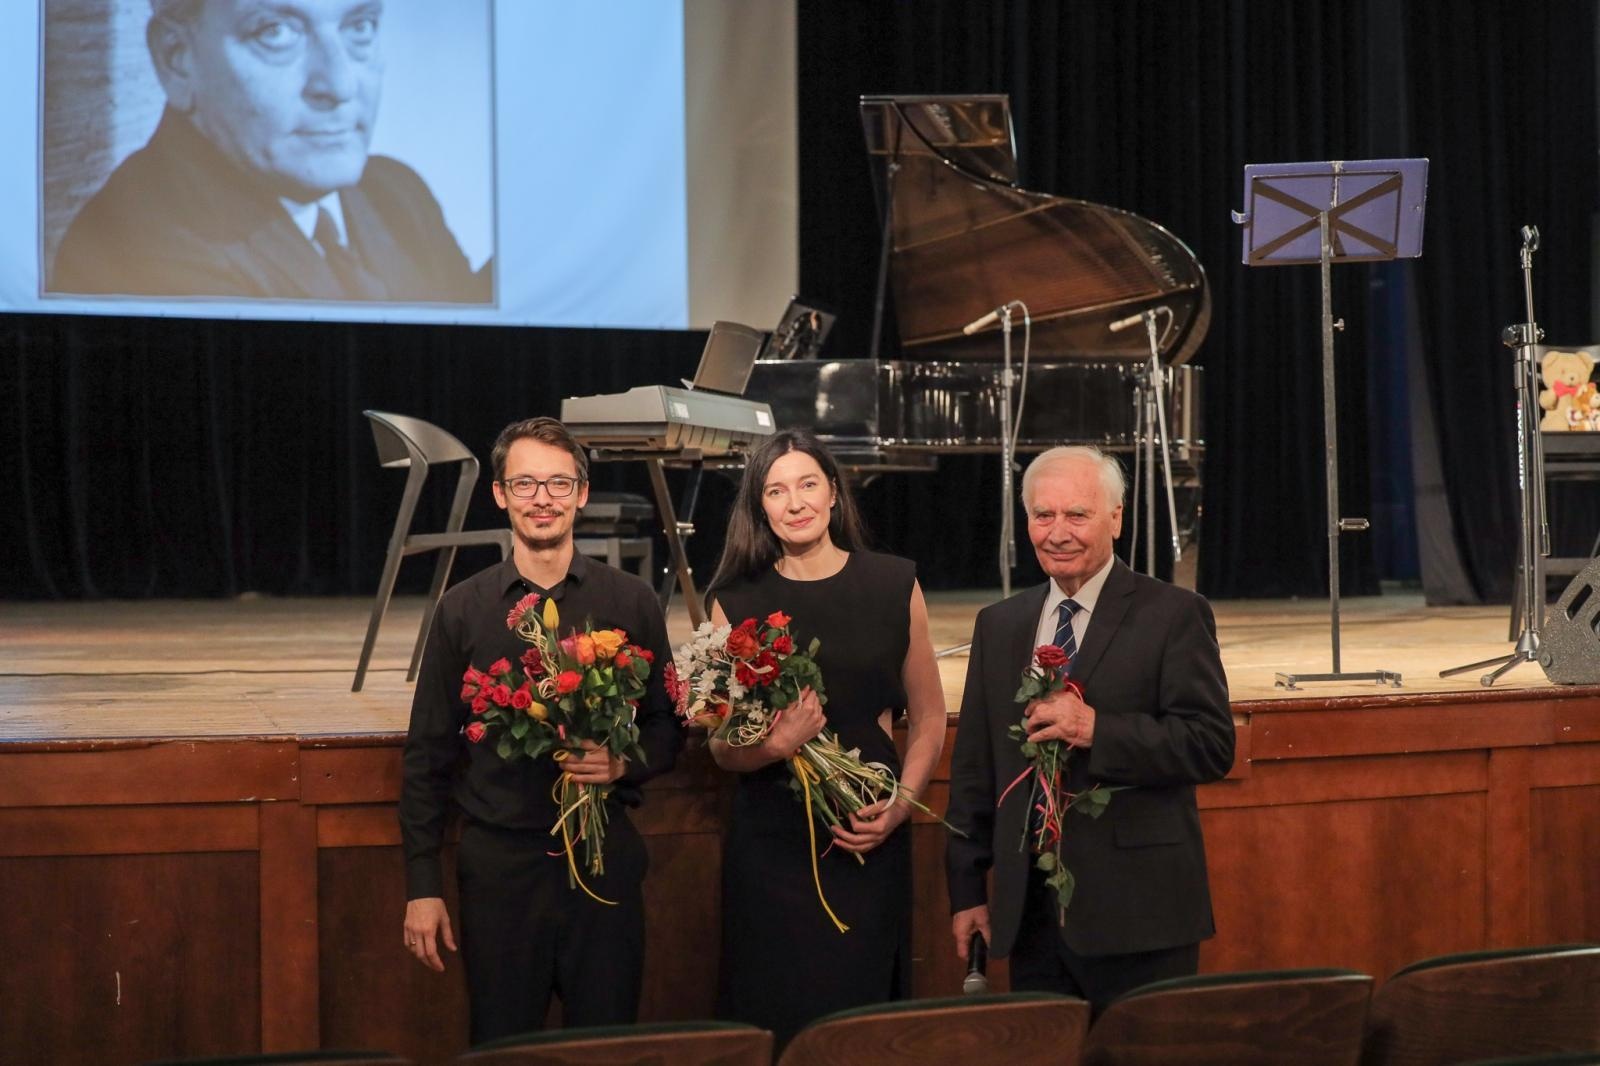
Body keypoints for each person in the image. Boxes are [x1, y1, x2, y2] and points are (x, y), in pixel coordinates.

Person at [398, 417, 681, 1044]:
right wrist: (422, 886)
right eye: (524, 484)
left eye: (557, 483)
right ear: (499, 495)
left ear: (581, 493)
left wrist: (621, 764)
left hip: (603, 861)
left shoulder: (631, 601)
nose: (541, 498)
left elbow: (668, 726)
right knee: (502, 1045)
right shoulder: (463, 608)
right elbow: (427, 755)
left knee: (607, 1047)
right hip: (500, 868)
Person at [944, 445, 1234, 1011]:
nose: (1058, 532)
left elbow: (1210, 744)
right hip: (1029, 920)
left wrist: (1098, 730)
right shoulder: (999, 625)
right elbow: (975, 772)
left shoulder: (1174, 614)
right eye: (1042, 515)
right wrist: (967, 892)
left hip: (1142, 918)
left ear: (1116, 517)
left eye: (1077, 514)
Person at [705, 429, 947, 1047]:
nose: (795, 502)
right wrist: (775, 746)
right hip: (772, 847)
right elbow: (720, 747)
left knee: (863, 1031)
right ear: (760, 507)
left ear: (834, 493)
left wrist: (900, 807)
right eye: (776, 490)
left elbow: (927, 715)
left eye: (807, 484)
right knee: (778, 1021)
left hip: (867, 836)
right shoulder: (734, 602)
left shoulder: (895, 584)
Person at [49, 0, 490, 303]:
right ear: (177, 57)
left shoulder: (396, 192)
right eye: (275, 32)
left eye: (359, 27)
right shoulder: (132, 246)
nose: (339, 84)